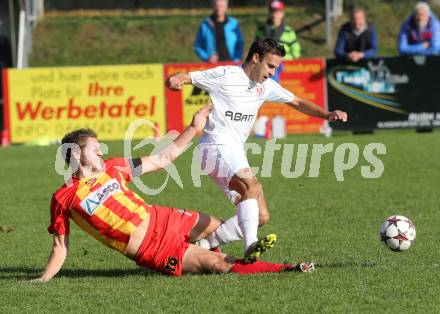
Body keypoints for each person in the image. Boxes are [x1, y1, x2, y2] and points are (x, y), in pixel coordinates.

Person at [32, 106, 314, 282]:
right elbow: (60, 247)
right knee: (217, 264)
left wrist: (192, 128)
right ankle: (286, 268)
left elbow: (161, 159)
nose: (101, 150)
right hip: (152, 249)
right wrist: (44, 279)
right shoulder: (64, 198)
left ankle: (214, 245)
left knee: (233, 225)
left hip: (165, 218)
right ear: (77, 153)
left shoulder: (115, 167)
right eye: (95, 147)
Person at [166, 38, 348, 263]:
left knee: (260, 215)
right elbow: (189, 76)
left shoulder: (265, 87)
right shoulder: (227, 75)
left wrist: (327, 114)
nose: (273, 72)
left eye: (276, 68)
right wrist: (176, 79)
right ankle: (251, 245)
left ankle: (203, 245)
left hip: (234, 152)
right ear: (255, 58)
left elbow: (297, 102)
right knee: (252, 186)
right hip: (215, 147)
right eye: (271, 66)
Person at [255, 0, 301, 81]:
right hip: (264, 66)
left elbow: (296, 52)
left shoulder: (289, 31)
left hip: (283, 67)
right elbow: (256, 49)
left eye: (277, 12)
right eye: (272, 11)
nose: (274, 15)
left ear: (283, 13)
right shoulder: (261, 30)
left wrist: (280, 59)